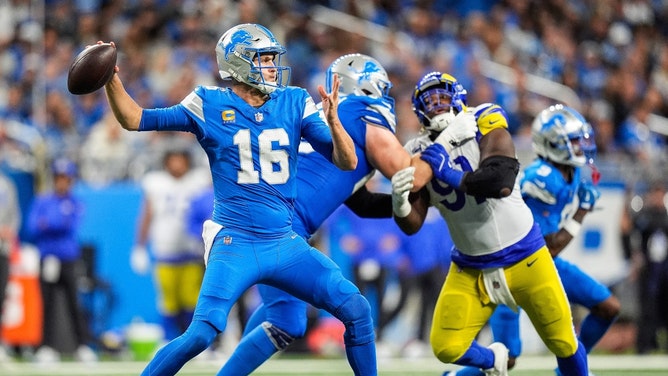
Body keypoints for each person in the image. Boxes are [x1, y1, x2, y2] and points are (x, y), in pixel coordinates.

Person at [101, 23, 379, 375]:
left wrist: (335, 122)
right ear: (238, 63)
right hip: (236, 242)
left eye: (272, 59)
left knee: (357, 309)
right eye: (263, 59)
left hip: (284, 241)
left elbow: (347, 161)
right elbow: (135, 118)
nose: (272, 67)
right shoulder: (208, 103)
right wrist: (111, 80)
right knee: (201, 334)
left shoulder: (294, 101)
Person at [218, 53, 475, 374]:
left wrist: (419, 203)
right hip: (284, 230)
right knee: (350, 311)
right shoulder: (360, 112)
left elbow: (362, 203)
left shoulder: (335, 117)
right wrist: (448, 140)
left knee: (283, 317)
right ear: (368, 86)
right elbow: (411, 175)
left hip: (271, 221)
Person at [391, 71, 589, 376]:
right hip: (470, 267)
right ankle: (493, 362)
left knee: (564, 342)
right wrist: (400, 203)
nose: (439, 106)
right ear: (420, 111)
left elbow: (500, 181)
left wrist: (448, 173)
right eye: (430, 102)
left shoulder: (483, 119)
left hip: (526, 256)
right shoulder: (416, 152)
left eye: (444, 97)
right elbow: (412, 223)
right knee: (446, 346)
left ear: (458, 98)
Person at [445, 105, 620, 376]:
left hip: (541, 263)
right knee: (507, 358)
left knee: (607, 307)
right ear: (552, 144)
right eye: (574, 141)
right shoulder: (542, 179)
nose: (581, 147)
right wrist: (580, 213)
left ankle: (570, 368)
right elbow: (550, 246)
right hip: (513, 265)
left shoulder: (568, 172)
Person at [130, 147, 211, 341]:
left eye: (180, 160)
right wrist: (139, 246)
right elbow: (146, 215)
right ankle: (169, 340)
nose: (176, 165)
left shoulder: (198, 181)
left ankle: (195, 342)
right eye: (173, 160)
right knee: (168, 302)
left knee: (192, 299)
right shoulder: (156, 183)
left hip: (192, 252)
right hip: (164, 252)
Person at [26, 158, 97, 363]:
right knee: (46, 304)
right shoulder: (43, 200)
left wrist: (48, 223)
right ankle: (46, 346)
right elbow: (32, 227)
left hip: (68, 259)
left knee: (75, 303)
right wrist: (53, 223)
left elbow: (68, 226)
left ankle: (82, 346)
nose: (62, 182)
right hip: (48, 258)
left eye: (66, 178)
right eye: (59, 178)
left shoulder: (75, 202)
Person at [630, 181, 668, 354]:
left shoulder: (665, 216)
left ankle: (662, 344)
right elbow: (631, 234)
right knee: (647, 308)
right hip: (649, 267)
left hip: (665, 267)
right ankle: (645, 346)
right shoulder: (644, 215)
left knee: (664, 307)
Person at [0, 171, 20, 360]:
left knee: (1, 297)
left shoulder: (6, 184)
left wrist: (9, 231)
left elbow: (15, 217)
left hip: (2, 249)